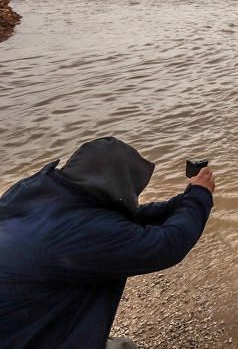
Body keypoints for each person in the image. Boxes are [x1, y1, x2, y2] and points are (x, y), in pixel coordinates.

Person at [0, 137, 215, 348]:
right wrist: (200, 196)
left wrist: (182, 202)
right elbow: (167, 246)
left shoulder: (41, 196)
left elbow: (119, 222)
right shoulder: (84, 233)